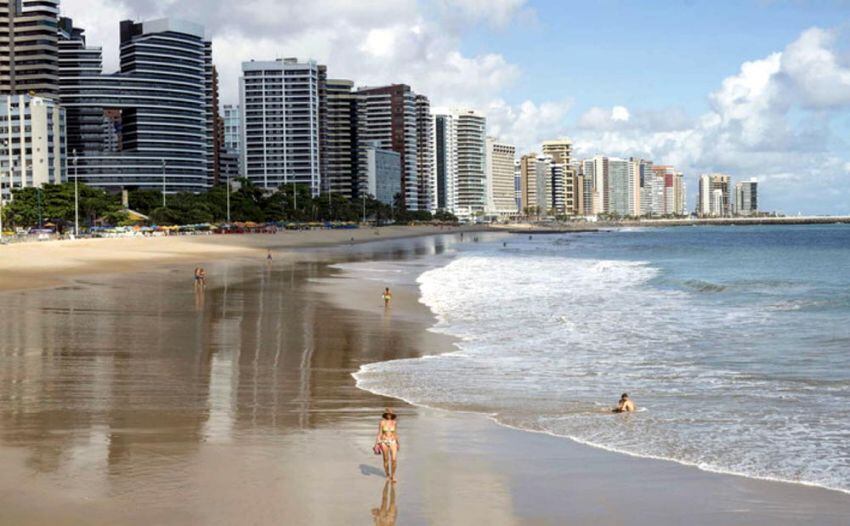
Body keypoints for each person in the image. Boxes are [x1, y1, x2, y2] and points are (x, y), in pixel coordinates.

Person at [374, 408, 400, 482]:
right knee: (386, 459)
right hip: (384, 441)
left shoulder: (394, 422)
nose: (389, 415)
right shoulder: (382, 422)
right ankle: (387, 475)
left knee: (394, 459)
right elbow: (379, 433)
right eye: (388, 414)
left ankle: (393, 475)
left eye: (391, 414)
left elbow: (395, 433)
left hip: (393, 441)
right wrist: (376, 444)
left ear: (392, 415)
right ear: (386, 414)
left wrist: (398, 443)